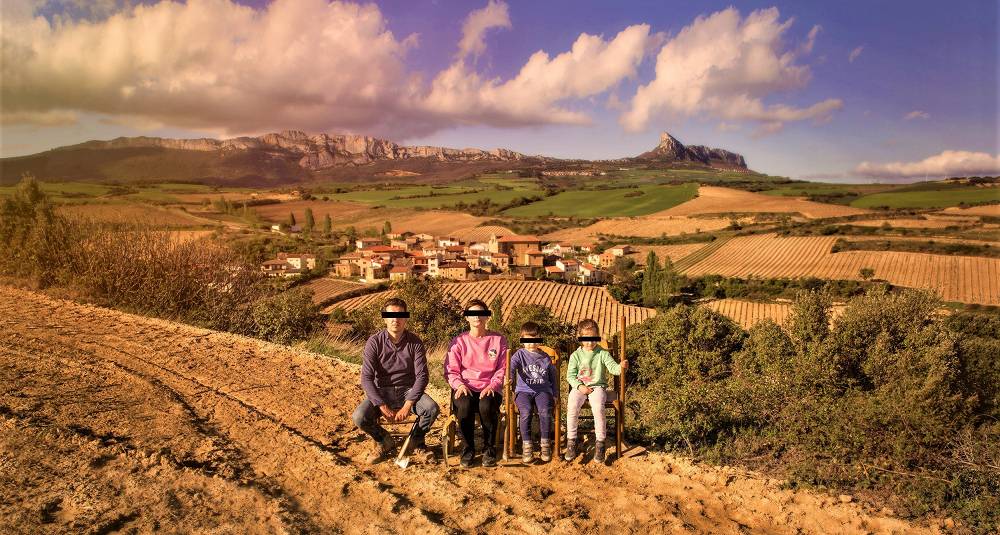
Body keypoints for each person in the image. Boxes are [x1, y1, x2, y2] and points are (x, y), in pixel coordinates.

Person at [352, 298, 439, 464]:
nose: (395, 319)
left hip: (408, 390)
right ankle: (384, 441)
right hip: (382, 390)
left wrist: (408, 405)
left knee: (431, 409)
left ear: (406, 318)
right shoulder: (374, 342)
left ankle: (417, 442)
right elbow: (367, 377)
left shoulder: (415, 342)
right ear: (384, 318)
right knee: (359, 417)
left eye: (400, 315)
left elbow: (422, 376)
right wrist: (381, 405)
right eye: (390, 315)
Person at [444, 299, 508, 468]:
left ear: (487, 317)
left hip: (489, 387)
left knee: (486, 407)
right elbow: (451, 369)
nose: (476, 317)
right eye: (472, 313)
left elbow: (503, 368)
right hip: (465, 386)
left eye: (480, 313)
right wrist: (459, 384)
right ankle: (468, 449)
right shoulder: (459, 341)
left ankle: (489, 449)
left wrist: (493, 385)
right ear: (466, 317)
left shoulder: (499, 340)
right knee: (464, 407)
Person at [564, 318, 628, 463]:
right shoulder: (576, 355)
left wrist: (621, 366)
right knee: (572, 406)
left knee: (598, 408)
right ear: (580, 338)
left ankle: (600, 443)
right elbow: (570, 376)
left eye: (593, 338)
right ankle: (571, 441)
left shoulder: (603, 353)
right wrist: (580, 387)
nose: (590, 342)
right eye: (586, 338)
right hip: (579, 386)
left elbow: (613, 368)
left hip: (597, 387)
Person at [508, 322, 558, 463]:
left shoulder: (545, 357)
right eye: (527, 340)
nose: (531, 344)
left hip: (542, 390)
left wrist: (555, 394)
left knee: (544, 411)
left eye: (534, 339)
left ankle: (545, 444)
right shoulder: (519, 355)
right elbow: (511, 368)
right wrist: (510, 378)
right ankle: (527, 445)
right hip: (523, 391)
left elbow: (553, 377)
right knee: (526, 411)